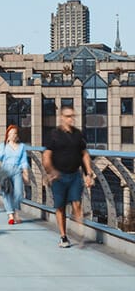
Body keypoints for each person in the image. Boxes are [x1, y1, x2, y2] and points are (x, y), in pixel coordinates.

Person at [43, 105, 95, 248]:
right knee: (60, 207)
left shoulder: (78, 134)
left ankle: (80, 234)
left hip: (74, 175)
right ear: (61, 118)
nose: (71, 119)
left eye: (72, 116)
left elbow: (84, 154)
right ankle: (63, 236)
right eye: (68, 116)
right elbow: (46, 156)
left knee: (77, 203)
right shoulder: (54, 134)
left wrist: (88, 173)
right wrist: (51, 171)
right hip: (58, 177)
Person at [0, 125, 30, 225]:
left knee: (18, 192)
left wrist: (25, 173)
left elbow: (24, 161)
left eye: (15, 133)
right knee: (6, 193)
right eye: (11, 133)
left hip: (16, 171)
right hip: (5, 171)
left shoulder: (21, 147)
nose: (13, 135)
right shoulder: (3, 146)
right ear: (8, 135)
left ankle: (16, 211)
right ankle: (10, 214)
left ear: (17, 136)